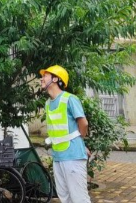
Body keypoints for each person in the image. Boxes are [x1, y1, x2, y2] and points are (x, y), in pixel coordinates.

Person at [40, 65, 91, 203]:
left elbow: (83, 123)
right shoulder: (48, 104)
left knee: (79, 198)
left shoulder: (70, 99)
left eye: (45, 75)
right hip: (58, 157)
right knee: (65, 198)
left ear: (55, 79)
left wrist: (80, 143)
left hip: (73, 156)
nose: (42, 78)